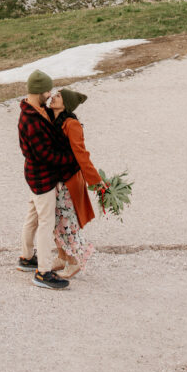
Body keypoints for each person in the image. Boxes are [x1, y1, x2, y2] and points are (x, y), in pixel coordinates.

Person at [17, 69, 80, 290]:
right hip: (41, 178)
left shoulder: (38, 109)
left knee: (33, 217)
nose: (50, 94)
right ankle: (43, 272)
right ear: (38, 91)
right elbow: (46, 155)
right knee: (46, 224)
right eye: (47, 90)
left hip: (36, 175)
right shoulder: (30, 120)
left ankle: (26, 258)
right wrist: (71, 160)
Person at [48, 88, 106, 278]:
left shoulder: (71, 124)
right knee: (55, 219)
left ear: (65, 104)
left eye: (58, 96)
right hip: (55, 180)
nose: (53, 97)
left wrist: (97, 182)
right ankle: (62, 256)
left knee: (66, 221)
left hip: (67, 181)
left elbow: (81, 154)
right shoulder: (52, 119)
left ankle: (74, 262)